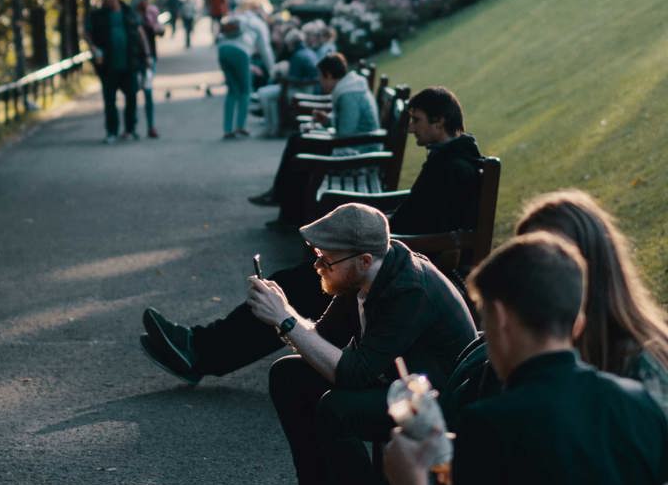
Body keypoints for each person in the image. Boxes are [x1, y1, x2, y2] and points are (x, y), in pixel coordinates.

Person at [140, 86, 485, 384]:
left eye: (417, 120)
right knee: (292, 284)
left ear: (440, 122)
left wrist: (359, 248)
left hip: (389, 270)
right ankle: (200, 347)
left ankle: (199, 351)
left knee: (292, 289)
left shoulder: (454, 168)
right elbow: (417, 221)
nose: (411, 128)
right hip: (385, 257)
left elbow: (441, 241)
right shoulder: (448, 159)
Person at [383, 232, 668, 485]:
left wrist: (412, 483)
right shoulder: (639, 404)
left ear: (500, 317)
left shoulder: (489, 426)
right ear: (578, 325)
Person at [248, 204, 476, 485]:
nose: (317, 266)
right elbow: (323, 338)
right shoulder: (365, 274)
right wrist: (282, 313)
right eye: (317, 256)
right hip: (397, 381)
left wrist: (286, 319)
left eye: (327, 260)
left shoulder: (409, 291)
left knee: (338, 409)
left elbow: (353, 374)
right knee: (288, 374)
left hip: (434, 399)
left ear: (364, 260)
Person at [515, 190, 668, 414]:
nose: (538, 279)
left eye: (558, 262)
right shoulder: (532, 355)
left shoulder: (642, 366)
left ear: (596, 269)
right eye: (528, 265)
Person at [249, 52, 381, 226]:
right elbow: (346, 128)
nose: (319, 81)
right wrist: (326, 121)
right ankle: (284, 205)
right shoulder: (349, 87)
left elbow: (345, 134)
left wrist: (323, 129)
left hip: (360, 157)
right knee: (298, 142)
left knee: (301, 151)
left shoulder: (349, 94)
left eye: (320, 76)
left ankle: (287, 211)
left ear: (329, 75)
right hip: (357, 148)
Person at [85, 0, 151, 143]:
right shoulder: (97, 15)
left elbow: (141, 33)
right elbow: (87, 33)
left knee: (131, 97)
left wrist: (146, 54)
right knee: (110, 101)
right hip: (108, 66)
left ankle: (130, 129)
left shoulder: (128, 12)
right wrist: (93, 48)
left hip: (129, 64)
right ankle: (111, 131)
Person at [256, 29, 318, 137]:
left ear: (291, 43)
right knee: (269, 97)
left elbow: (294, 80)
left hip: (300, 90)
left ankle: (271, 127)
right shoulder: (309, 52)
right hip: (309, 88)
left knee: (265, 94)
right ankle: (273, 127)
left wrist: (282, 77)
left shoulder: (298, 55)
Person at [132, 0, 165, 139]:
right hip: (135, 59)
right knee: (132, 92)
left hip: (150, 58)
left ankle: (151, 126)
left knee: (148, 92)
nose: (147, 2)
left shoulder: (151, 14)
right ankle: (131, 126)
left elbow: (160, 31)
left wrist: (156, 25)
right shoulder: (131, 15)